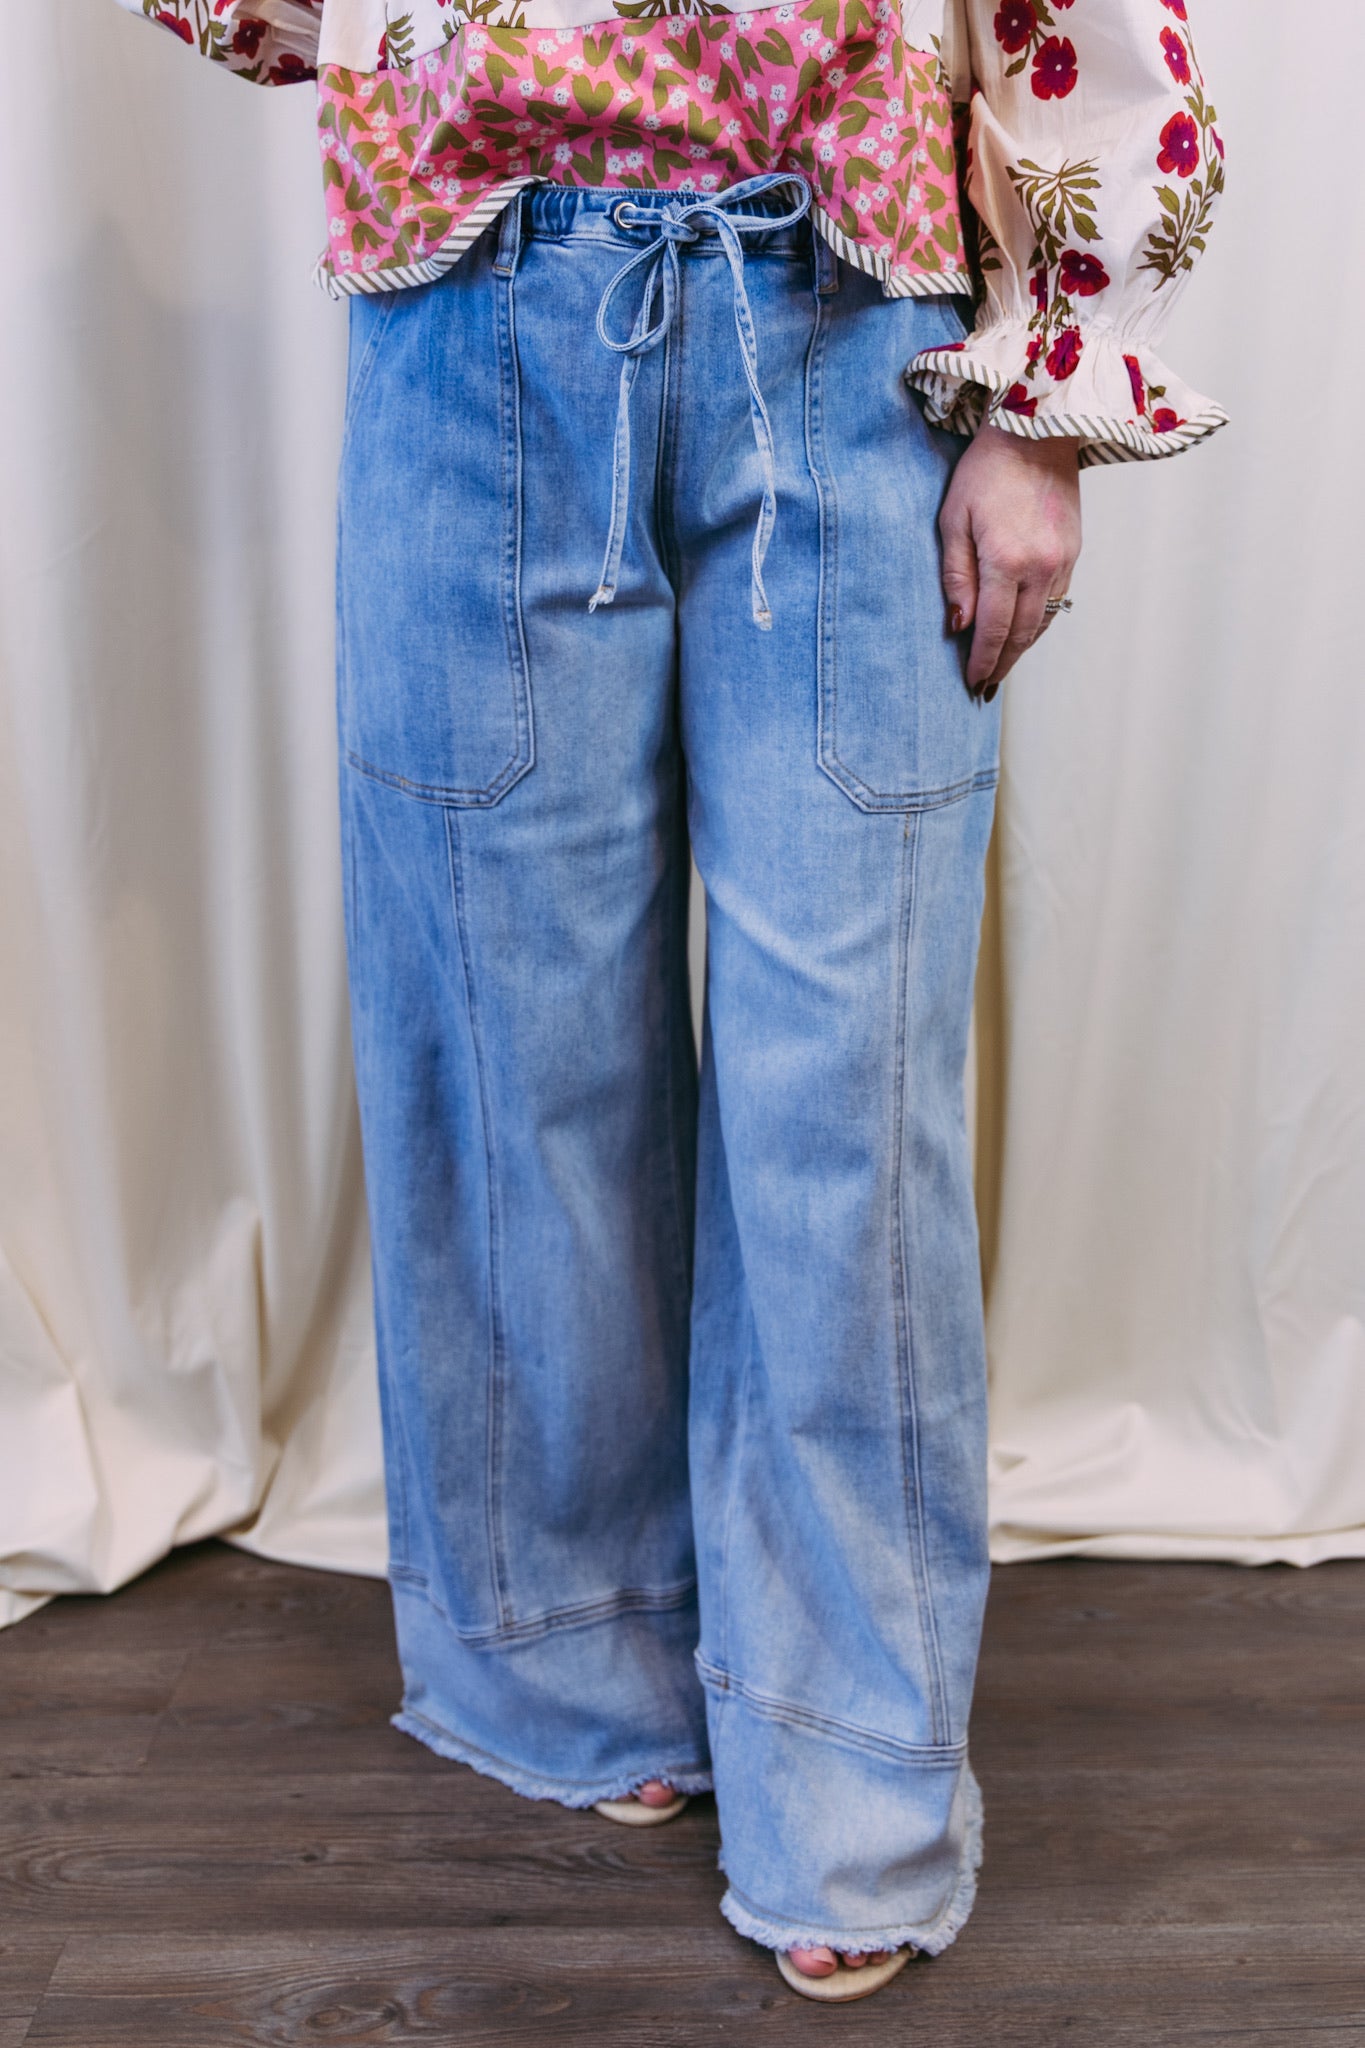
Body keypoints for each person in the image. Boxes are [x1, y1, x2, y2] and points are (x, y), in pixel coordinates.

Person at [117, 0, 1224, 2002]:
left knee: (840, 1083)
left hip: (842, 307)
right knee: (516, 1038)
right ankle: (590, 1647)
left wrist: (1043, 398)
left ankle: (848, 1778)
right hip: (475, 301)